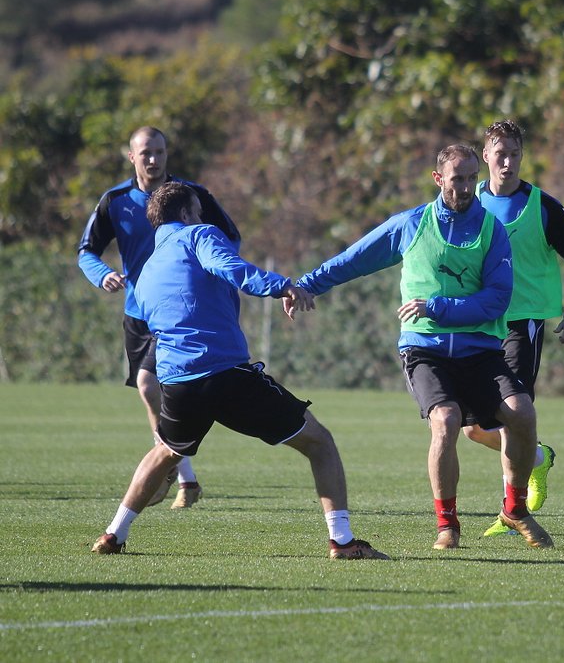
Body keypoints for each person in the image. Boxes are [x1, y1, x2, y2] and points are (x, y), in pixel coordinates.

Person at [90, 182, 388, 561]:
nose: (201, 218)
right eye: (197, 212)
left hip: (178, 383)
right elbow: (231, 268)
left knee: (164, 451)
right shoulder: (199, 234)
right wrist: (283, 287)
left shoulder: (146, 271)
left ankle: (114, 533)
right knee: (320, 443)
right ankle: (343, 542)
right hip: (224, 374)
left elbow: (149, 319)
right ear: (185, 215)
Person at [295, 144, 553, 551]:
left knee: (522, 413)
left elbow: (497, 299)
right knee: (447, 420)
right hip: (425, 350)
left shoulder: (492, 231)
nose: (467, 186)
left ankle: (515, 509)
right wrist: (308, 284)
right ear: (438, 179)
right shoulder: (412, 224)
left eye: (472, 178)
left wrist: (437, 306)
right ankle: (447, 525)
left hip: (480, 349)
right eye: (458, 178)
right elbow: (355, 258)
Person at [78, 126, 241, 509]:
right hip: (139, 311)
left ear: (168, 154)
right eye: (146, 152)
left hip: (183, 310)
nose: (154, 159)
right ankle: (185, 478)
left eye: (160, 152)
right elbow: (87, 250)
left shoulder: (190, 196)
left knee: (149, 384)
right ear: (131, 156)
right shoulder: (115, 200)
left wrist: (211, 273)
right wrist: (102, 274)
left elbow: (230, 237)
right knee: (151, 389)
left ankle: (170, 470)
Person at [464, 120, 564, 538]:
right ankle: (537, 456)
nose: (506, 163)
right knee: (472, 428)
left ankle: (511, 508)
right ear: (485, 156)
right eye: (499, 154)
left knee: (511, 415)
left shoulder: (543, 208)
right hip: (478, 323)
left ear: (522, 156)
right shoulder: (467, 203)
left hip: (523, 324)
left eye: (514, 155)